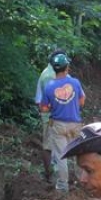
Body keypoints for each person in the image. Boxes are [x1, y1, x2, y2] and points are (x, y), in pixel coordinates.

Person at [40, 53, 85, 192]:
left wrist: (54, 106)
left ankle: (63, 186)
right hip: (75, 123)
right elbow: (82, 100)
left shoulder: (49, 86)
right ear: (67, 68)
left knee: (61, 155)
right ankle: (81, 182)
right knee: (77, 153)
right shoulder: (75, 82)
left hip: (58, 124)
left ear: (54, 69)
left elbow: (44, 108)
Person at [34, 50, 66, 182]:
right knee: (48, 146)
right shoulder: (49, 76)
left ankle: (55, 175)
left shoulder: (51, 74)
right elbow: (50, 100)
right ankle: (50, 175)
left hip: (53, 116)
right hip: (51, 117)